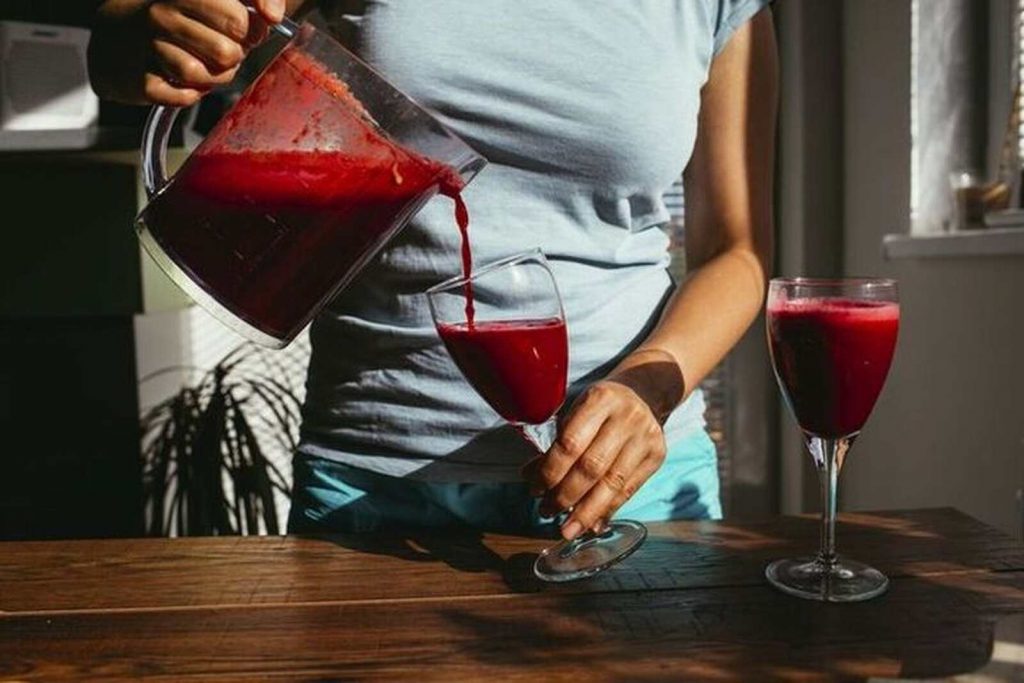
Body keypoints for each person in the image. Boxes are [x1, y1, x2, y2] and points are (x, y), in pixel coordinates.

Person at [89, 0, 777, 541]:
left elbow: (737, 251)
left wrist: (649, 383)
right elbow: (154, 36)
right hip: (375, 482)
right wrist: (137, 36)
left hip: (629, 480)